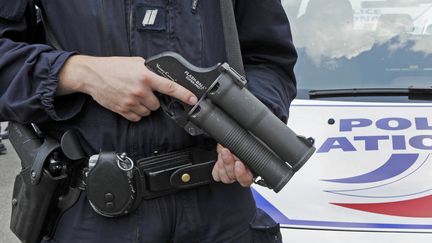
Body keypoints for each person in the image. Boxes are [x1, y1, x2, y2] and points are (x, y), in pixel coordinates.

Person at [0, 0, 297, 242]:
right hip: (96, 215)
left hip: (223, 210)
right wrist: (79, 72)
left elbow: (268, 59)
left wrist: (250, 125)